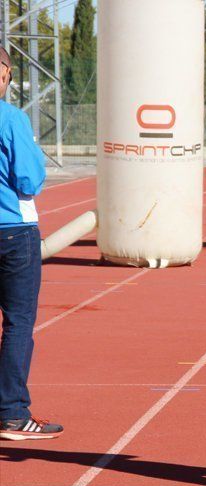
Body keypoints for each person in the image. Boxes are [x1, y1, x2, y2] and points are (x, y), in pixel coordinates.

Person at [0, 46, 62, 441]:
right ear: (4, 75)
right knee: (19, 324)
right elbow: (29, 179)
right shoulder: (11, 118)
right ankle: (12, 413)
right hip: (12, 231)